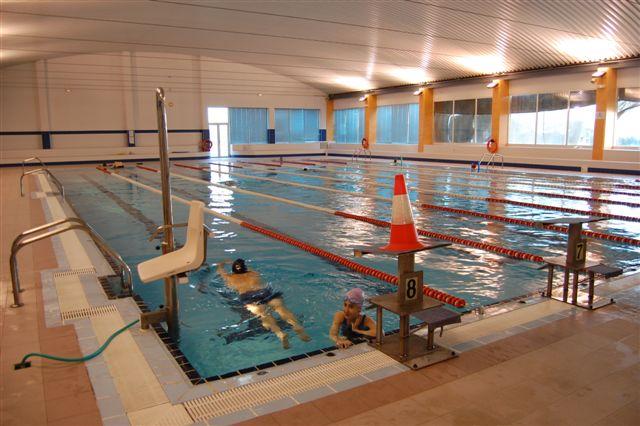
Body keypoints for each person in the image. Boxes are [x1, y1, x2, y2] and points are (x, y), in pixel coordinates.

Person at [217, 258, 310, 349]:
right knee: (282, 309)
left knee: (264, 315)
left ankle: (280, 334)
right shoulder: (253, 273)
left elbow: (220, 270)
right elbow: (247, 267)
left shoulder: (229, 277)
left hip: (249, 296)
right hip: (265, 292)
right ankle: (296, 326)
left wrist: (222, 262)